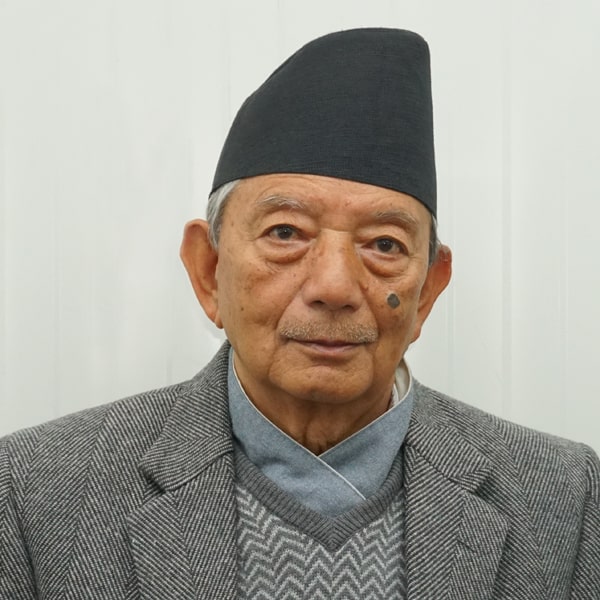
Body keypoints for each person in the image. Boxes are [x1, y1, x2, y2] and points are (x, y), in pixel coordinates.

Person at [0, 28, 598, 599]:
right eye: (286, 232)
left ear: (427, 291)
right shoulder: (37, 491)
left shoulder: (563, 497)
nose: (334, 286)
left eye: (384, 244)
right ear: (208, 270)